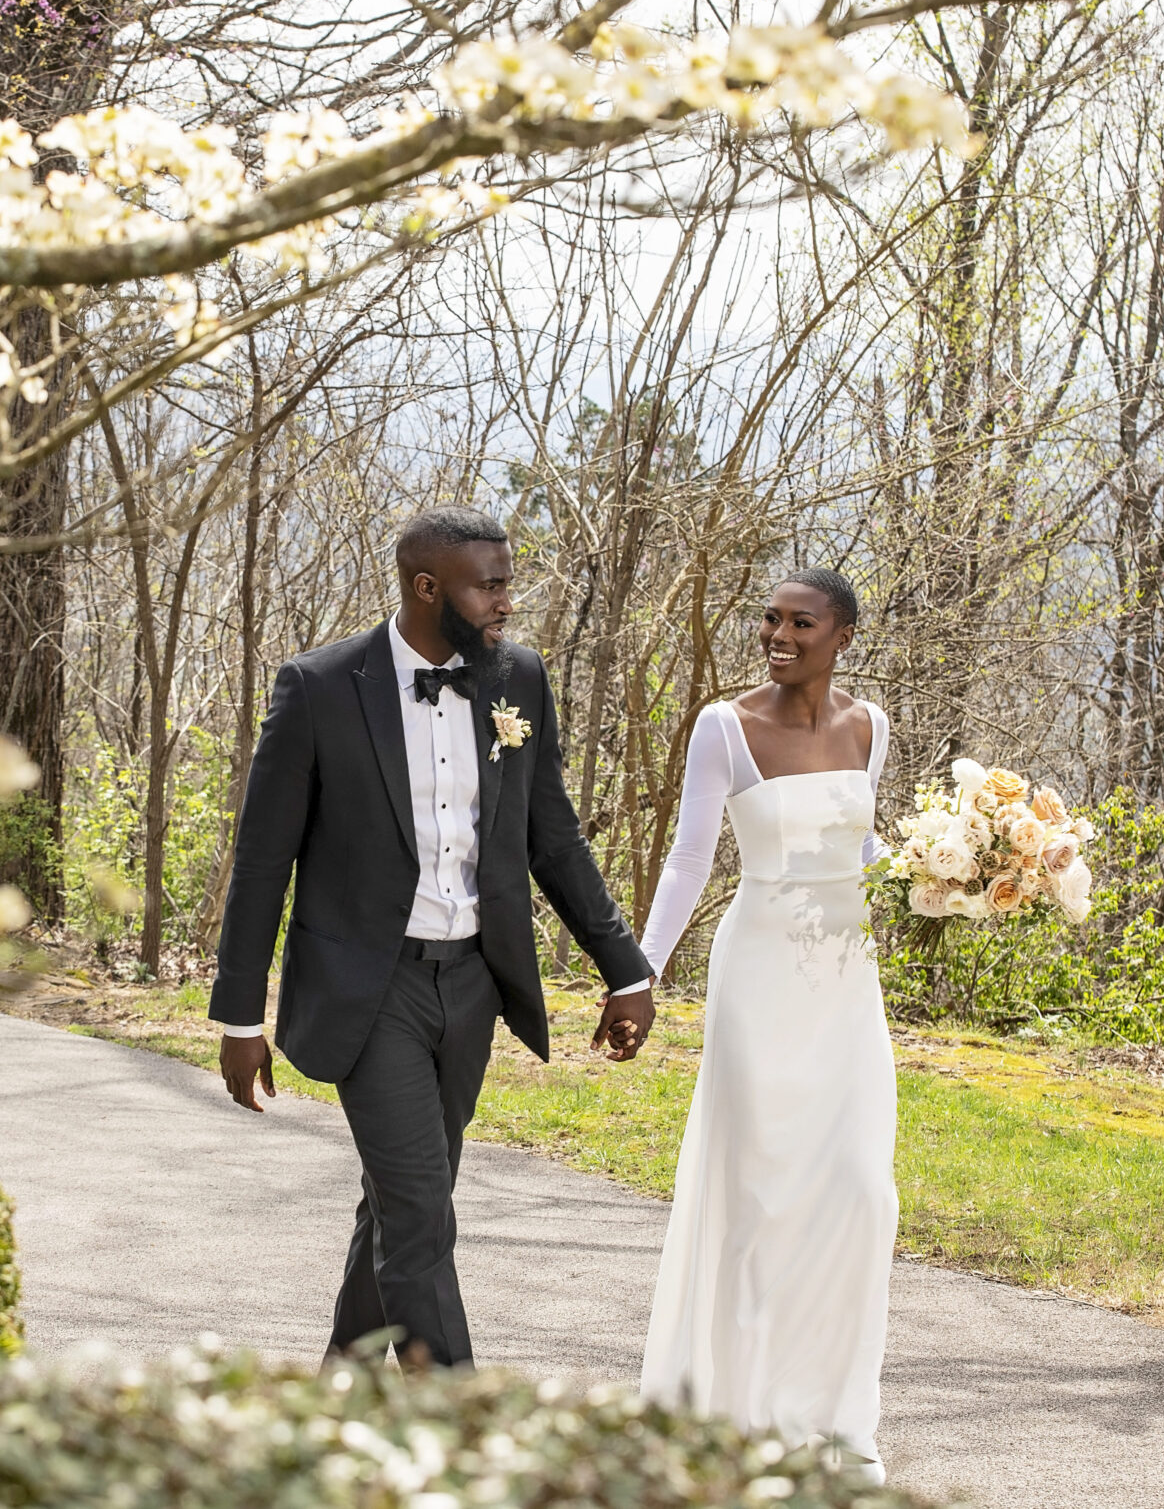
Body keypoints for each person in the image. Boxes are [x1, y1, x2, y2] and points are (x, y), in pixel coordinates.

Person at [210, 504, 657, 1371]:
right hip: (369, 990)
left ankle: (341, 1376)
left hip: (474, 983)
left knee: (402, 1201)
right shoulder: (319, 686)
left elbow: (551, 835)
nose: (506, 601)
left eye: (507, 583)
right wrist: (238, 1013)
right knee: (419, 1212)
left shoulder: (518, 678)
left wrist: (623, 963)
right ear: (426, 587)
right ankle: (457, 1432)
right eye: (488, 585)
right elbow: (263, 861)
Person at [634, 566, 896, 1484]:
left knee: (862, 1189)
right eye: (770, 619)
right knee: (758, 1192)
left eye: (801, 622)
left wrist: (953, 875)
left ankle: (833, 1410)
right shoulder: (724, 726)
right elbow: (687, 860)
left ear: (844, 635)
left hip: (845, 982)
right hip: (758, 973)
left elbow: (864, 850)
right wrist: (642, 972)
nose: (779, 634)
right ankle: (737, 1408)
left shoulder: (870, 725)